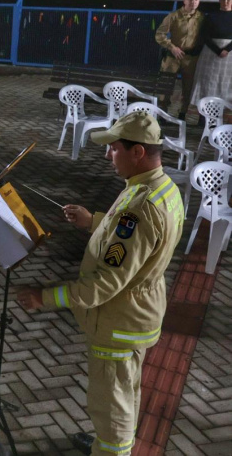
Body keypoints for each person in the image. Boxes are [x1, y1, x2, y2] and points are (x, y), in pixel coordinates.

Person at [15, 112, 184, 456]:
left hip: (118, 322)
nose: (108, 155)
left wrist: (42, 298)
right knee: (125, 391)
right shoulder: (159, 188)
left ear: (137, 152)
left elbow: (104, 284)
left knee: (111, 405)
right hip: (138, 314)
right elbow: (133, 245)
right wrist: (93, 221)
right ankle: (111, 443)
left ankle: (112, 449)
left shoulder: (139, 208)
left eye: (114, 148)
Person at [155, 0, 204, 119]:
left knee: (188, 87)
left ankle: (183, 113)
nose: (193, 2)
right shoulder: (173, 16)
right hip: (173, 56)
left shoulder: (202, 18)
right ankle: (162, 113)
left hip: (190, 58)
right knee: (166, 86)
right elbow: (160, 34)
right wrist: (172, 47)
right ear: (184, 0)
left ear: (199, 1)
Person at [190, 0, 232, 110]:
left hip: (229, 55)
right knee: (207, 83)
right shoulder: (211, 16)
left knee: (227, 85)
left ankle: (225, 118)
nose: (226, 1)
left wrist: (227, 49)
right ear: (219, 0)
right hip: (211, 52)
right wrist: (218, 50)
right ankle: (203, 116)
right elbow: (204, 35)